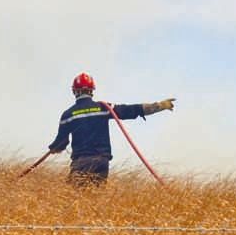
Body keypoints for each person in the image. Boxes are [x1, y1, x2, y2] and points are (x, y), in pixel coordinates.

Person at [47, 72, 175, 184]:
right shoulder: (104, 108)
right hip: (102, 162)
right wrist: (160, 106)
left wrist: (53, 148)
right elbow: (130, 110)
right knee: (94, 198)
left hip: (82, 162)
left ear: (74, 91)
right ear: (92, 90)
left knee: (72, 199)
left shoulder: (68, 114)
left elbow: (61, 143)